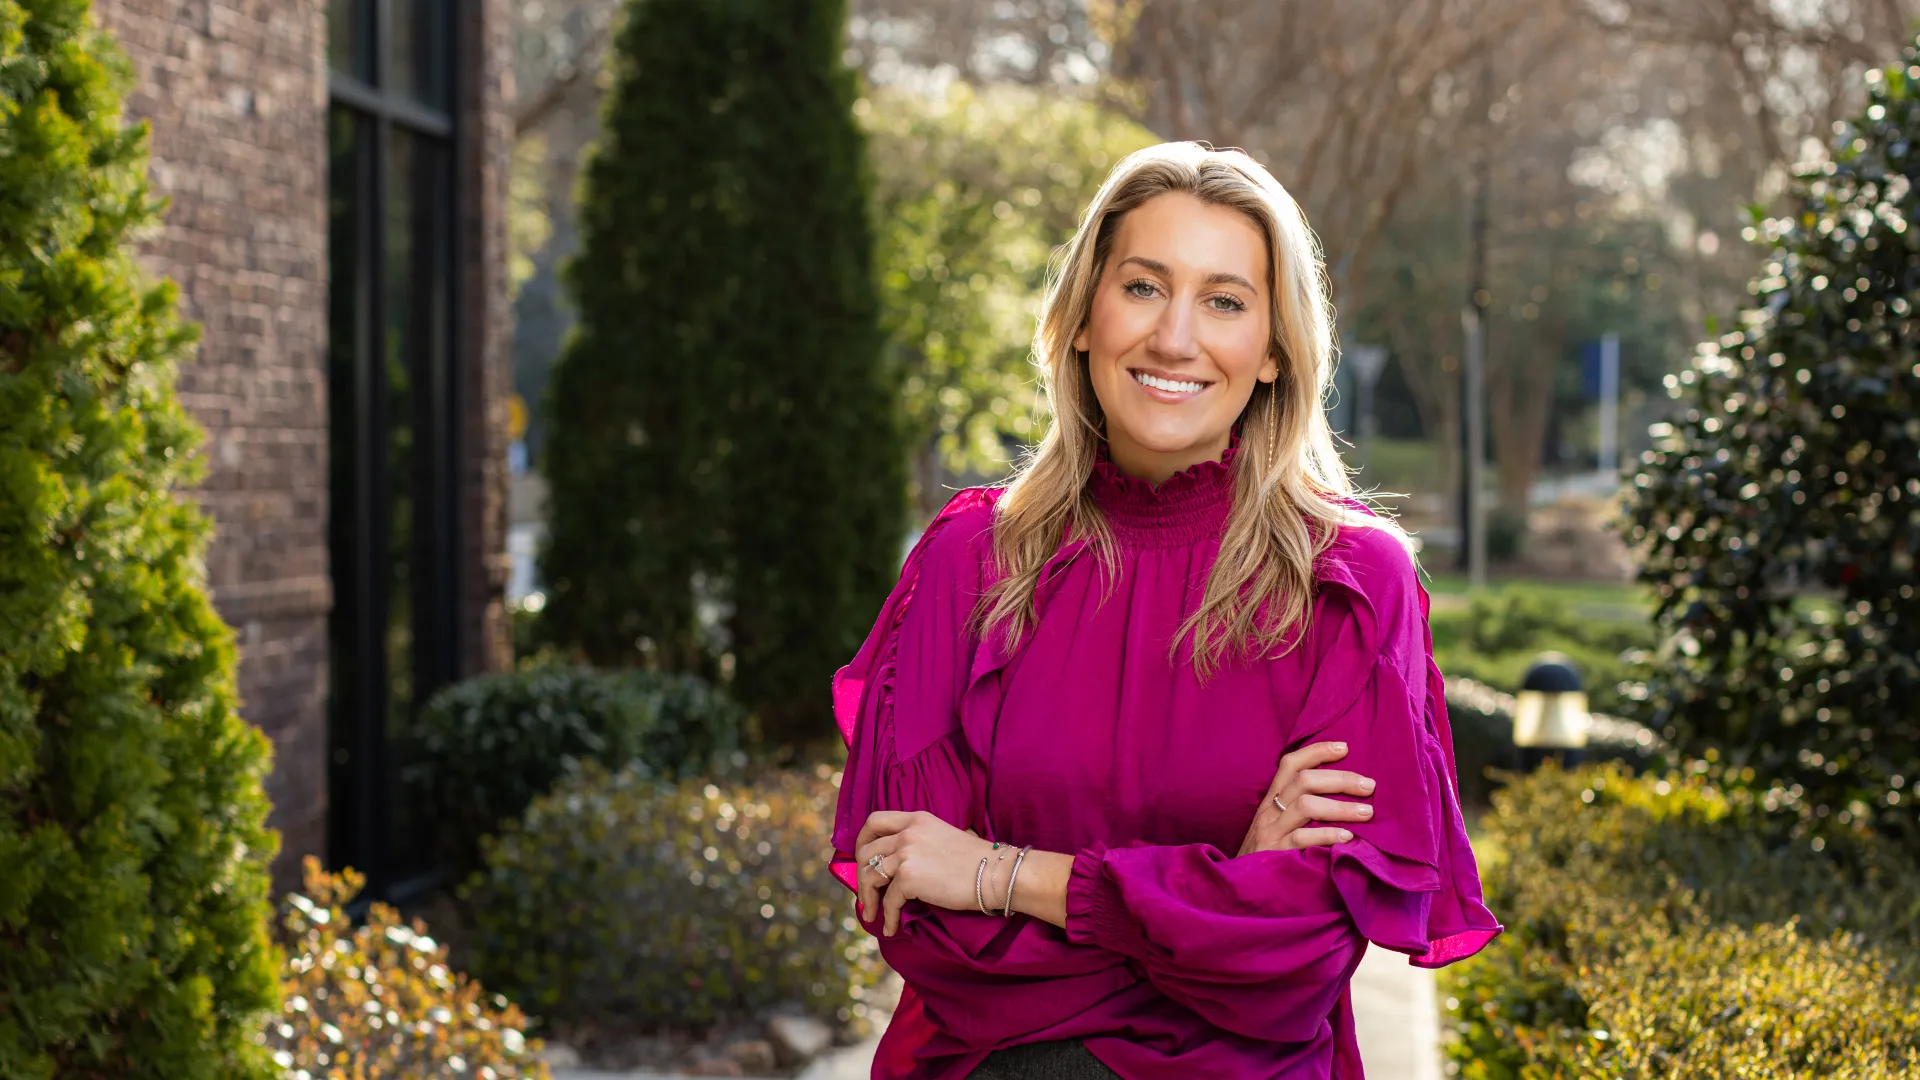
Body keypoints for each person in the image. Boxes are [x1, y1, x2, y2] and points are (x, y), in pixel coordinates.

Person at [828, 141, 1500, 1079]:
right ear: (1080, 318)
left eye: (1224, 301)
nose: (1175, 339)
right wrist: (1223, 891)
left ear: (1271, 352)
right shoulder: (969, 565)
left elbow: (1298, 954)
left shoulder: (1348, 582)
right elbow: (936, 938)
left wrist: (1003, 875)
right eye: (1144, 287)